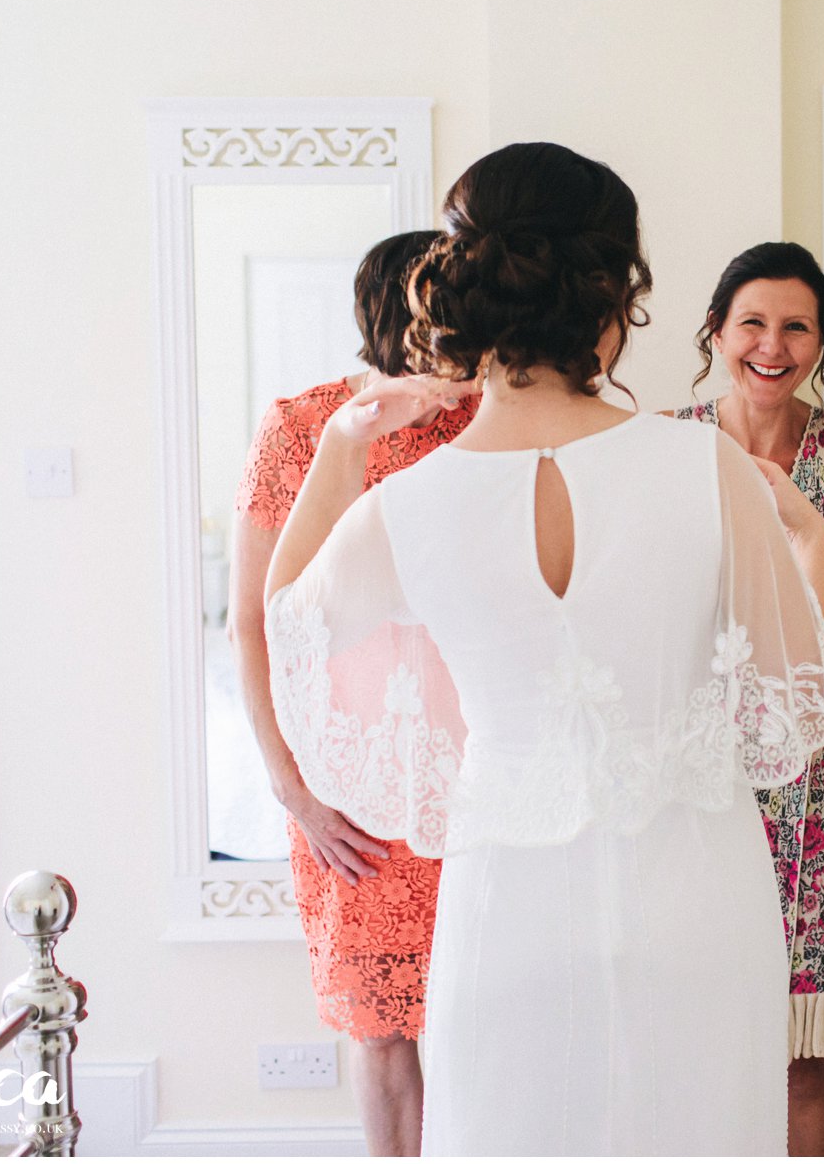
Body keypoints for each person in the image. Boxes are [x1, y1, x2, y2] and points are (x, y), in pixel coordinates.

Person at [262, 142, 824, 1155]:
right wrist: (810, 545)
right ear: (613, 293)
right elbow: (811, 689)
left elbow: (290, 623)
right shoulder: (703, 463)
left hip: (512, 906)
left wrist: (340, 449)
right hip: (698, 900)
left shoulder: (406, 504)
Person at [229, 230, 476, 1157]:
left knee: (479, 1021)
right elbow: (251, 622)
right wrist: (292, 788)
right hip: (349, 785)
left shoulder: (489, 425)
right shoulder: (302, 427)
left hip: (476, 775)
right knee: (384, 1035)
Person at [670, 241, 824, 1156]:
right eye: (752, 322)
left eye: (796, 325)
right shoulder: (668, 445)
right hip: (699, 771)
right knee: (697, 1030)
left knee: (805, 1053)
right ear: (717, 332)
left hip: (818, 783)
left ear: (822, 343)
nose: (773, 343)